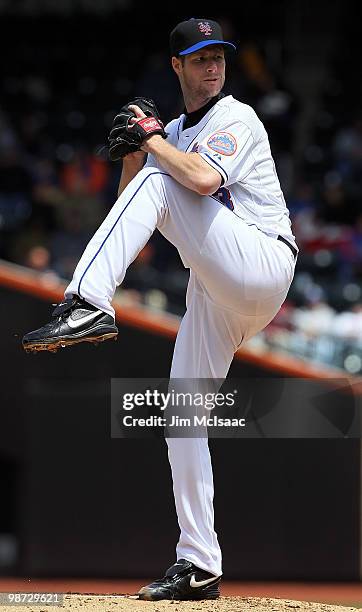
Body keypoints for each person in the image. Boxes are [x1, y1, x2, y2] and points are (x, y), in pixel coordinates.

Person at [22, 18, 298, 600]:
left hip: (261, 263)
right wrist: (133, 147)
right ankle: (200, 562)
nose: (213, 67)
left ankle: (86, 303)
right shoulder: (171, 131)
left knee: (164, 178)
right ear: (177, 66)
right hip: (217, 287)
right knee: (181, 417)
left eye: (218, 56)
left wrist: (150, 145)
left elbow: (195, 179)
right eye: (199, 59)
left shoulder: (235, 117)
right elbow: (135, 202)